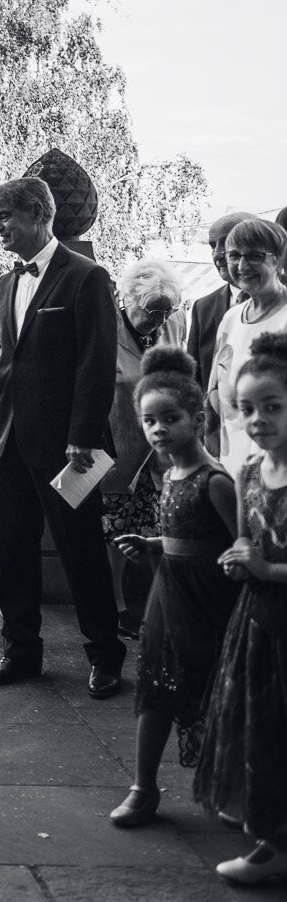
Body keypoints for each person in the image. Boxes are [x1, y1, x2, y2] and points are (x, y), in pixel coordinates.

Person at [0, 176, 125, 698]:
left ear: (37, 213)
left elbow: (97, 364)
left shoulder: (88, 277)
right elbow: (11, 357)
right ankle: (21, 653)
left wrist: (82, 436)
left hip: (66, 448)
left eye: (3, 217)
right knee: (12, 550)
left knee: (81, 552)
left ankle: (105, 654)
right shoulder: (6, 283)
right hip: (10, 441)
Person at [106, 348, 237, 829]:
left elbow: (233, 544)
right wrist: (155, 544)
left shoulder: (215, 480)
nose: (158, 429)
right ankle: (143, 787)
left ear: (199, 418)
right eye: (149, 421)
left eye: (170, 418)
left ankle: (226, 785)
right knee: (155, 686)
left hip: (208, 601)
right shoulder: (171, 473)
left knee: (212, 690)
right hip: (168, 596)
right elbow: (185, 536)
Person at [192, 331, 287, 885]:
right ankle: (272, 836)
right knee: (260, 726)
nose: (256, 419)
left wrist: (267, 571)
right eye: (246, 408)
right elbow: (247, 540)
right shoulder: (249, 470)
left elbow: (268, 560)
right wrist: (238, 559)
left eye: (272, 406)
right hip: (256, 622)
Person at [100, 259, 187, 638]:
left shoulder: (174, 324)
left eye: (168, 309)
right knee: (115, 531)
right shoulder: (106, 328)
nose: (160, 317)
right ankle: (117, 608)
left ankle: (155, 607)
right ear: (129, 299)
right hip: (119, 449)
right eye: (154, 309)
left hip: (162, 453)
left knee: (160, 527)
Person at [210, 219, 287, 478]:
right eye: (234, 256)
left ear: (277, 259)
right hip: (233, 464)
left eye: (255, 256)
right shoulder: (231, 319)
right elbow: (214, 390)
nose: (242, 266)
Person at [188, 212, 255, 452]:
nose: (217, 254)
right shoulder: (202, 308)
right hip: (220, 446)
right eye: (212, 245)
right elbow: (193, 381)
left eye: (225, 243)